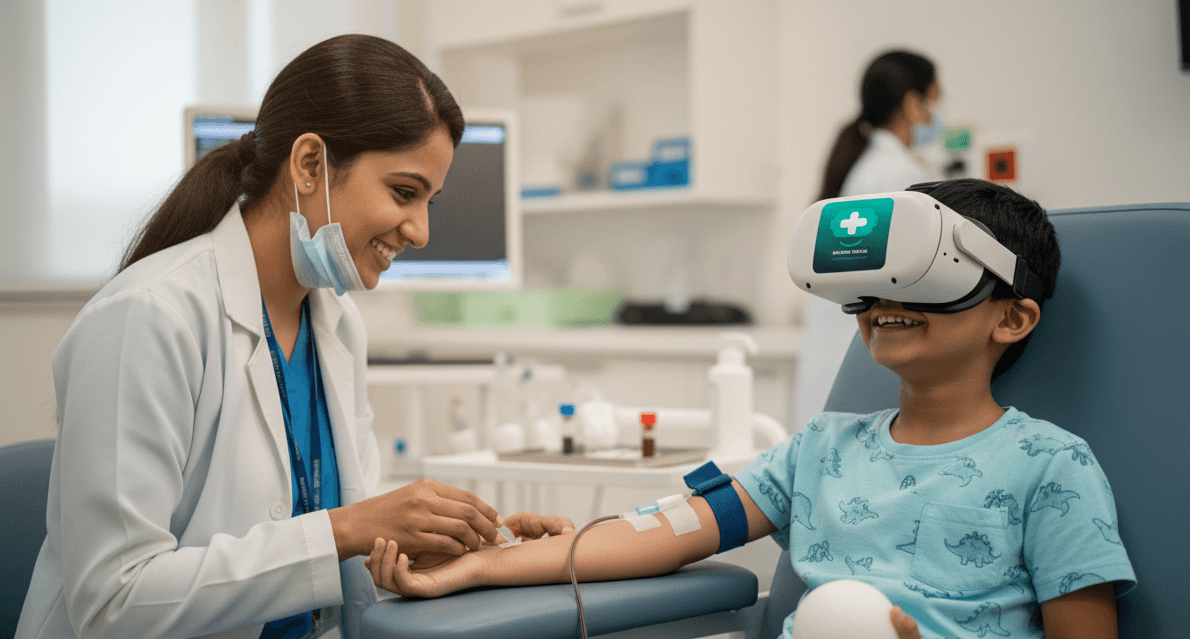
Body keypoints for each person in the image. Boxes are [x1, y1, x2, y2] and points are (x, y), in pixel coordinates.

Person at [362, 180, 1136, 639]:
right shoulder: (821, 449)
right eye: (874, 280)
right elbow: (664, 534)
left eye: (923, 277)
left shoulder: (1049, 467)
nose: (885, 301)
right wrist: (479, 565)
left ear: (1012, 318)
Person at [15, 34, 570, 639]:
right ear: (309, 165)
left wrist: (450, 550)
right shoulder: (149, 316)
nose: (421, 231)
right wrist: (348, 529)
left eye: (430, 202)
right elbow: (112, 602)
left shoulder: (337, 326)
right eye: (404, 192)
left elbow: (329, 555)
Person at [797, 49, 943, 429]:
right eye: (933, 102)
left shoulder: (864, 167)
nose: (935, 117)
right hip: (863, 359)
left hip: (836, 360)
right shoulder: (898, 174)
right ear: (912, 104)